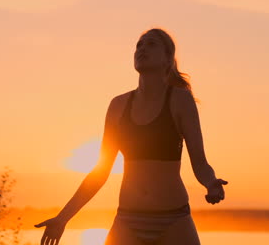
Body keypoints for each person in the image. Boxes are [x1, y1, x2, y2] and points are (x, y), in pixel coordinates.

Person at [34, 28, 228, 245]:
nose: (142, 48)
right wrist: (63, 218)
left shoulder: (180, 100)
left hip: (174, 219)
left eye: (151, 44)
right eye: (138, 45)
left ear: (167, 58)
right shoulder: (118, 105)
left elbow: (200, 164)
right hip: (128, 219)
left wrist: (211, 183)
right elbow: (100, 171)